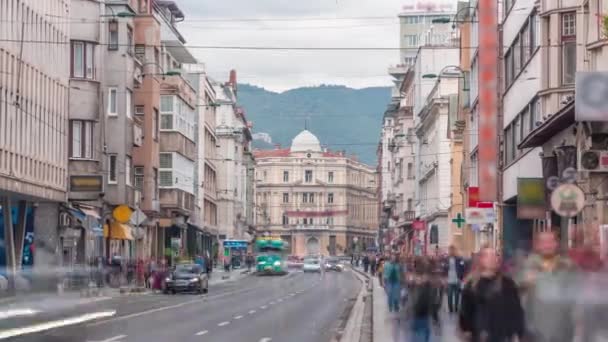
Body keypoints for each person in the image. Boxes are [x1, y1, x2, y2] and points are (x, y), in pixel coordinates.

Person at [517, 231, 577, 342]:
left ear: (556, 243)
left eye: (551, 241)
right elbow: (515, 294)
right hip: (536, 329)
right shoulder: (527, 266)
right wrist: (525, 283)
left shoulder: (568, 266)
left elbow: (577, 296)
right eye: (543, 242)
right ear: (538, 245)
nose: (547, 245)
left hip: (563, 329)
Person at [459, 246, 525, 342]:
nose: (492, 259)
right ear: (481, 260)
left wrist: (517, 333)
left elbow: (516, 310)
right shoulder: (472, 285)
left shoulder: (507, 283)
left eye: (495, 256)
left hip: (502, 336)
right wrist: (466, 330)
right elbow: (466, 311)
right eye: (488, 256)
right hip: (479, 336)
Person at [406, 258, 440, 342]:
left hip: (417, 310)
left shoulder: (414, 279)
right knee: (424, 331)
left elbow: (409, 291)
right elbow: (433, 298)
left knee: (418, 332)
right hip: (424, 311)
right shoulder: (428, 280)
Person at [443, 245, 466, 314]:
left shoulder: (459, 259)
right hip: (449, 280)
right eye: (450, 250)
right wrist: (444, 278)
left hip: (457, 279)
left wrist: (461, 278)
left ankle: (456, 308)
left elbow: (463, 268)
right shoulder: (446, 259)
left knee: (457, 295)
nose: (452, 251)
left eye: (453, 250)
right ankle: (450, 309)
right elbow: (444, 269)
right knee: (449, 295)